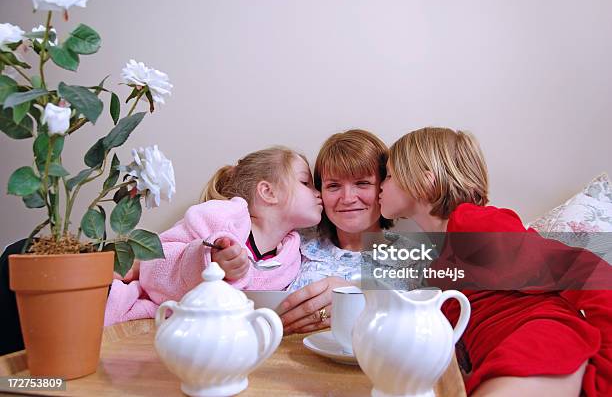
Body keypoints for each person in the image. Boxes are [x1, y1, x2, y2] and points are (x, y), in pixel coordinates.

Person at [379, 127, 612, 396]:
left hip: (540, 338)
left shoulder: (474, 223)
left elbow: (584, 269)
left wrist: (607, 360)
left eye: (389, 176)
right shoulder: (440, 261)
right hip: (502, 356)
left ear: (425, 181)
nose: (381, 186)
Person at [104, 146, 323, 326]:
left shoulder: (291, 256)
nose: (318, 193)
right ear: (268, 192)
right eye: (305, 183)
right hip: (163, 322)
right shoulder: (219, 218)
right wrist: (208, 260)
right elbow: (154, 263)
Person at [213, 130, 394, 333]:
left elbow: (416, 320)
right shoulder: (295, 243)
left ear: (383, 187)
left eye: (362, 183)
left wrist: (354, 295)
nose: (348, 198)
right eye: (333, 186)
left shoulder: (415, 254)